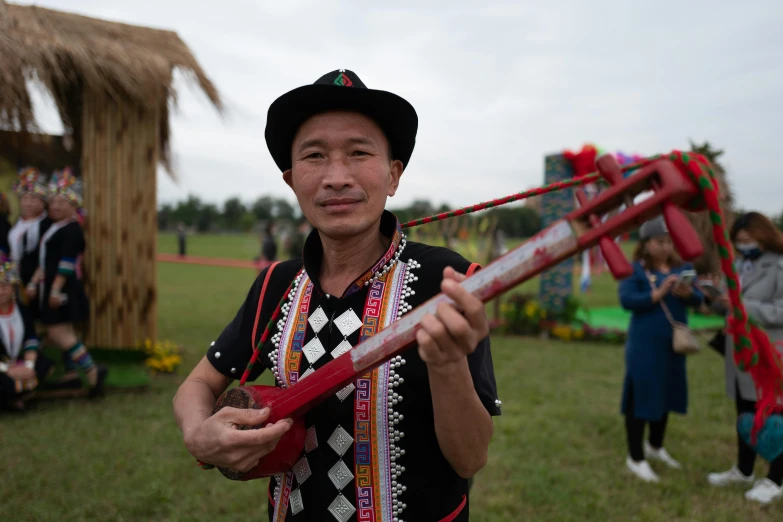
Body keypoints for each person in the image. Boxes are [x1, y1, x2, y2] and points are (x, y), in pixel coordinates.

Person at [173, 69, 500, 521]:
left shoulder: (449, 281)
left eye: (359, 152)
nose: (336, 177)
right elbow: (197, 384)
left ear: (393, 174)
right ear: (291, 181)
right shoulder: (276, 284)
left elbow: (469, 459)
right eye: (315, 156)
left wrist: (446, 364)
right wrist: (197, 433)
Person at [618, 216, 704, 483]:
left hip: (673, 345)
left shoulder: (682, 268)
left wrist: (687, 294)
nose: (665, 247)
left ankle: (655, 447)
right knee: (641, 396)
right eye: (659, 242)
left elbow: (700, 298)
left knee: (667, 393)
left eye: (669, 242)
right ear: (645, 244)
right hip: (645, 346)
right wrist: (657, 294)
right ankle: (635, 458)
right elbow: (627, 300)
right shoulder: (636, 271)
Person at [707, 211, 783, 504]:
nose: (744, 246)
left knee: (774, 417)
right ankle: (743, 469)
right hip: (740, 353)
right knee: (745, 413)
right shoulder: (738, 265)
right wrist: (713, 298)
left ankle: (775, 480)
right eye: (738, 242)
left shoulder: (779, 266)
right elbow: (730, 305)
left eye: (748, 240)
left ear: (764, 235)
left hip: (770, 354)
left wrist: (742, 306)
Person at [26, 168, 106, 397]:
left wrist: (55, 289)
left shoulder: (72, 229)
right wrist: (33, 282)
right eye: (53, 202)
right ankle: (75, 374)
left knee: (61, 335)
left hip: (62, 289)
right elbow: (46, 261)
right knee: (60, 335)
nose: (56, 206)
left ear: (73, 205)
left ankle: (92, 374)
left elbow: (66, 263)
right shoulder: (55, 227)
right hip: (52, 287)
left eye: (62, 202)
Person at [0, 257, 53, 412]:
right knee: (6, 381)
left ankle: (15, 397)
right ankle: (13, 398)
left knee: (43, 365)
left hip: (15, 362)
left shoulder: (22, 311)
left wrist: (28, 365)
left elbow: (31, 337)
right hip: (2, 367)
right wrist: (7, 369)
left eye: (5, 285)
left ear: (13, 288)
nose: (1, 290)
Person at [7, 167, 52, 305]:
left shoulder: (46, 224)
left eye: (33, 199)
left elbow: (48, 255)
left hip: (38, 281)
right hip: (18, 278)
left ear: (42, 202)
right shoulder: (18, 223)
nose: (28, 203)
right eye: (24, 199)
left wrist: (34, 282)